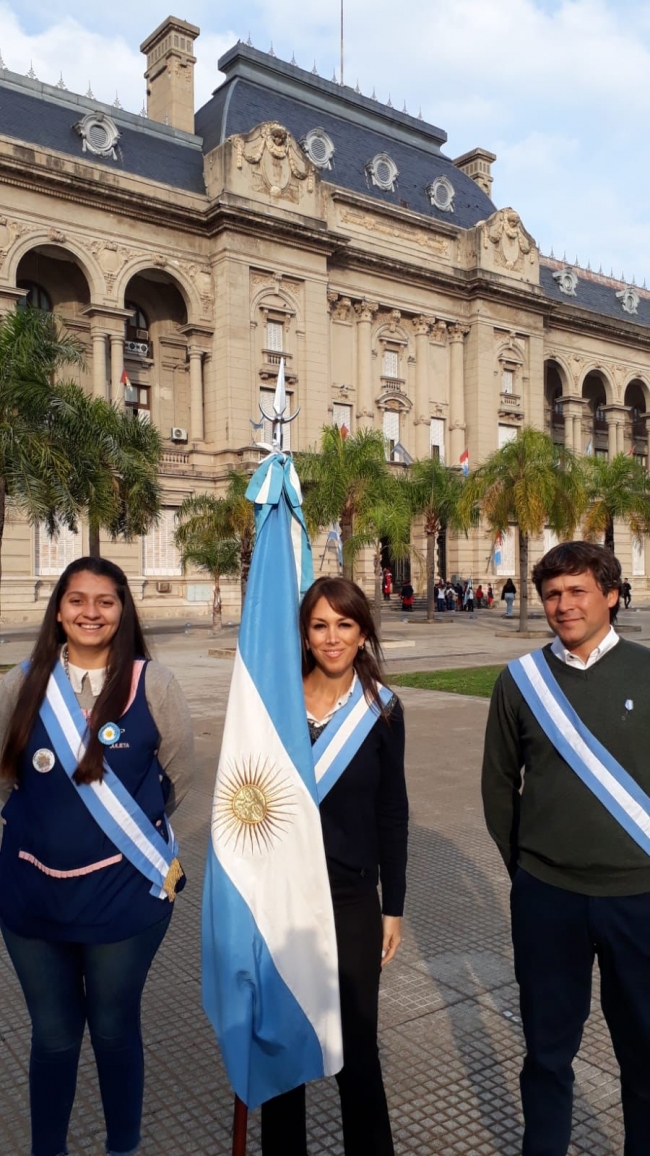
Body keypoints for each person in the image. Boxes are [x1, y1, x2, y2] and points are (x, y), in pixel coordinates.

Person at [0, 557, 194, 1156]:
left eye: (105, 601)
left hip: (123, 900)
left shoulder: (152, 683)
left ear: (121, 610)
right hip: (34, 898)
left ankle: (122, 1147)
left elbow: (180, 777)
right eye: (78, 600)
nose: (91, 612)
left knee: (113, 1029)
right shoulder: (23, 680)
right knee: (54, 1037)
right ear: (58, 610)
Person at [482, 541, 650, 1156]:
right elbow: (498, 786)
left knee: (645, 1054)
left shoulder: (646, 671)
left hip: (640, 895)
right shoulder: (519, 681)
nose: (562, 605)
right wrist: (529, 870)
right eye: (552, 593)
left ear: (610, 595)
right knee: (548, 1053)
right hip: (548, 899)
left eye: (577, 591)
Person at [261, 576, 408, 1156]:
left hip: (350, 897)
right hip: (281, 899)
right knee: (284, 1045)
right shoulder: (273, 705)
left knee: (356, 1049)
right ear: (304, 631)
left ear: (363, 631)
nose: (332, 637)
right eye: (319, 624)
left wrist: (392, 904)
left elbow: (392, 812)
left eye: (345, 624)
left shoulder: (382, 711)